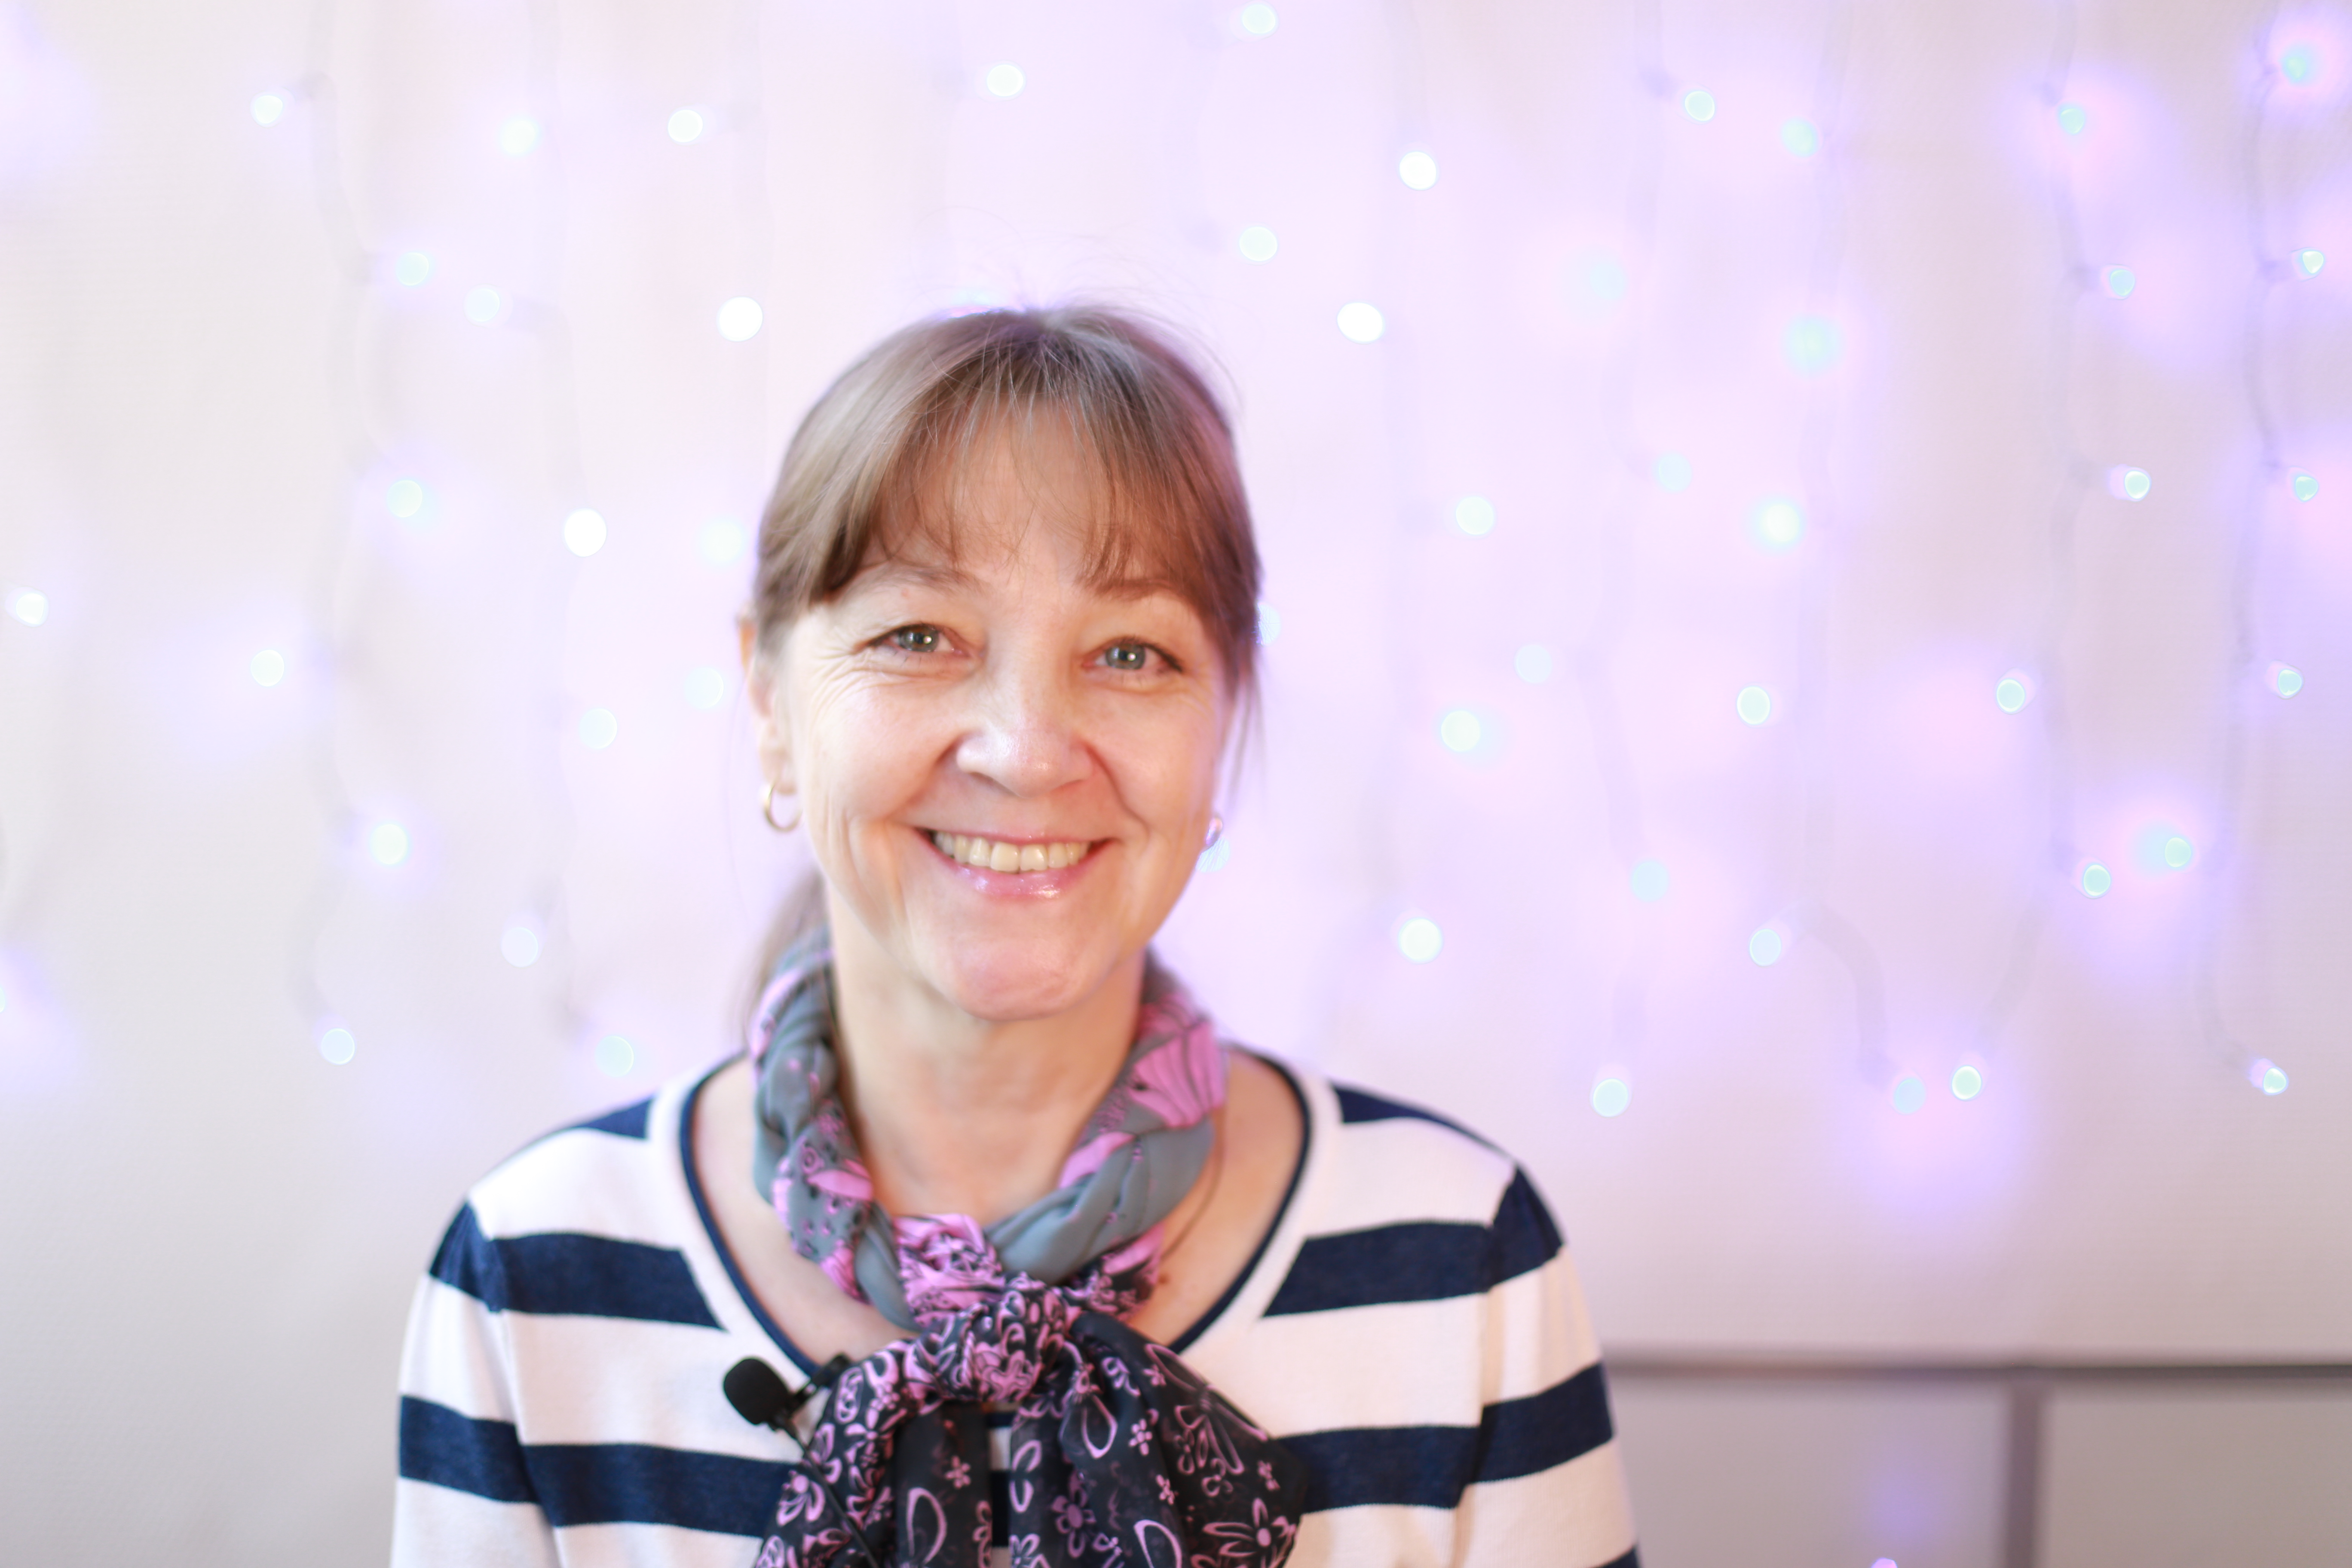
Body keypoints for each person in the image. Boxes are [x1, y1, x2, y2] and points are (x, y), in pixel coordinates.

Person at [393, 306, 1639, 1568]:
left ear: (1223, 723)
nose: (1027, 752)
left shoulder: (1459, 1262)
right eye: (917, 637)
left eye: (1131, 652)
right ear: (769, 702)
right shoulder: (535, 1278)